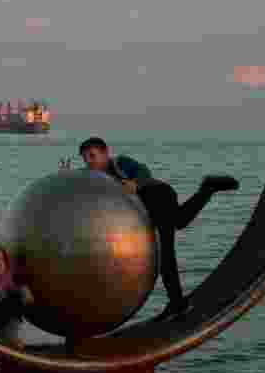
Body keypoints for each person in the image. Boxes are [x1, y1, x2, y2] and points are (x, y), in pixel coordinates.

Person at [76, 136, 239, 321]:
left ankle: (177, 303)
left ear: (105, 153)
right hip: (149, 210)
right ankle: (208, 188)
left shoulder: (120, 163)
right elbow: (80, 180)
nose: (89, 162)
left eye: (92, 156)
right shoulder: (96, 175)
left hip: (159, 197)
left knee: (165, 255)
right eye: (85, 158)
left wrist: (135, 183)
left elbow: (143, 171)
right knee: (181, 222)